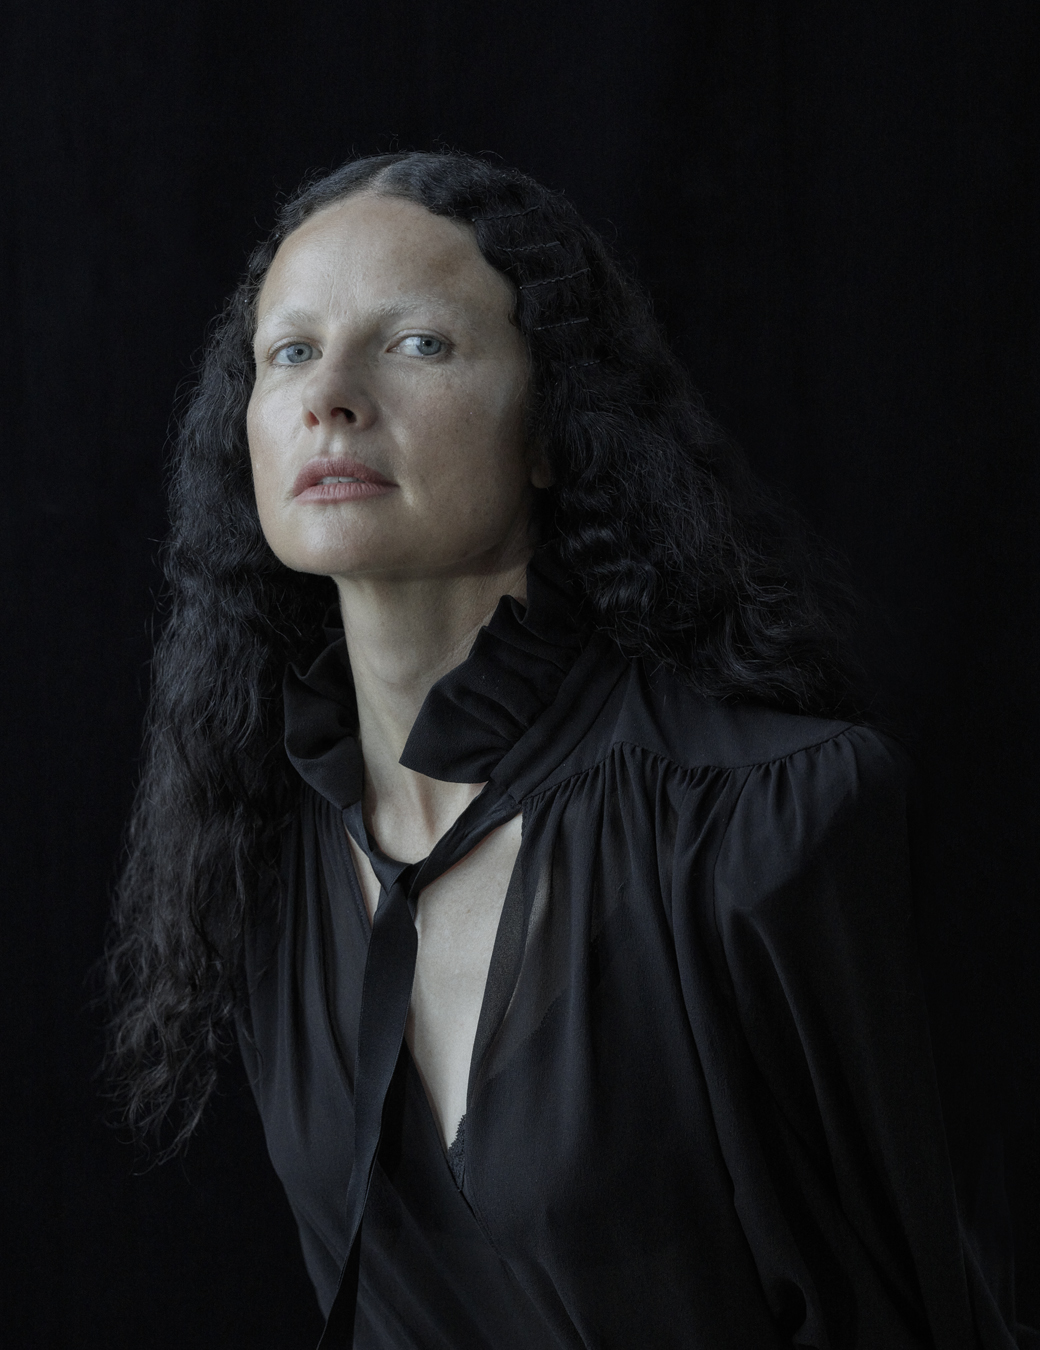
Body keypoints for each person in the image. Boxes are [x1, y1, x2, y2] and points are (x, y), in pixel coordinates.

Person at [107, 151, 1026, 1348]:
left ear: (552, 426)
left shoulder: (770, 821)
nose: (329, 394)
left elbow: (942, 1302)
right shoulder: (264, 843)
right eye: (289, 352)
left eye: (417, 344)